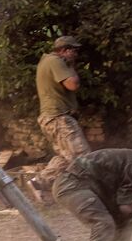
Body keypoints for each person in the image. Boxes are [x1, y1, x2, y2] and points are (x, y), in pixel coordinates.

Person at [29, 35, 92, 203]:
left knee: (64, 159)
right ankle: (88, 194)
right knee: (83, 156)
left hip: (51, 118)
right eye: (74, 51)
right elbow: (73, 84)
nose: (76, 54)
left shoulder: (47, 61)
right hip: (58, 118)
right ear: (65, 50)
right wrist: (71, 65)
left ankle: (38, 183)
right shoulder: (55, 61)